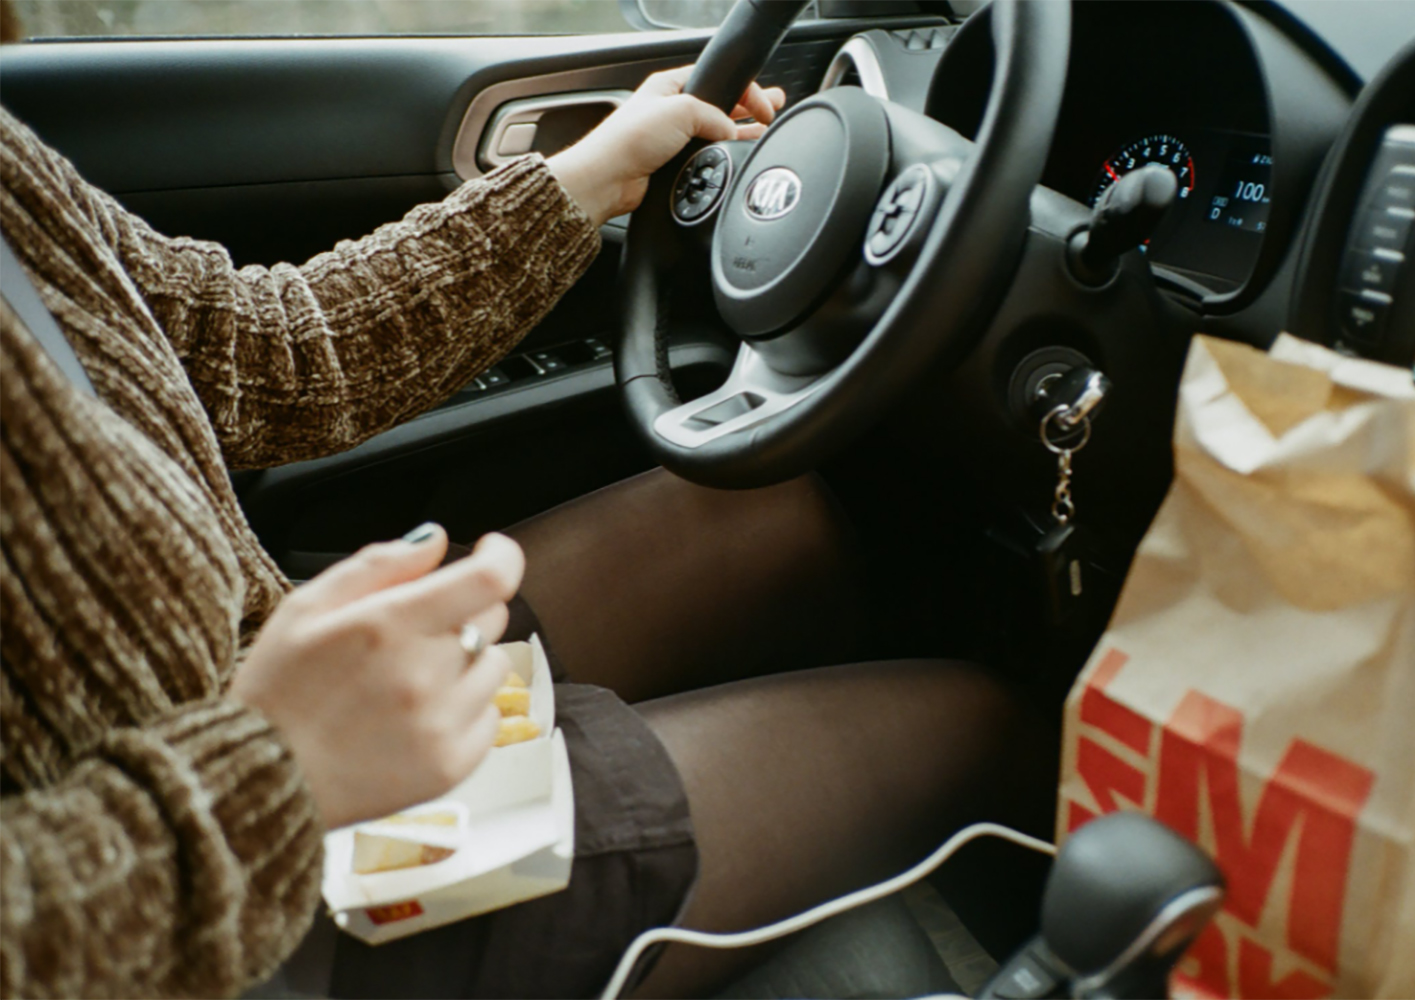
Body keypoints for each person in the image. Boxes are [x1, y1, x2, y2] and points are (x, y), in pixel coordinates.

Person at [0, 16, 1058, 1000]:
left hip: (248, 670)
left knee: (791, 515)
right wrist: (271, 772)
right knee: (992, 722)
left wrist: (579, 181)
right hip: (232, 896)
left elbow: (249, 351)